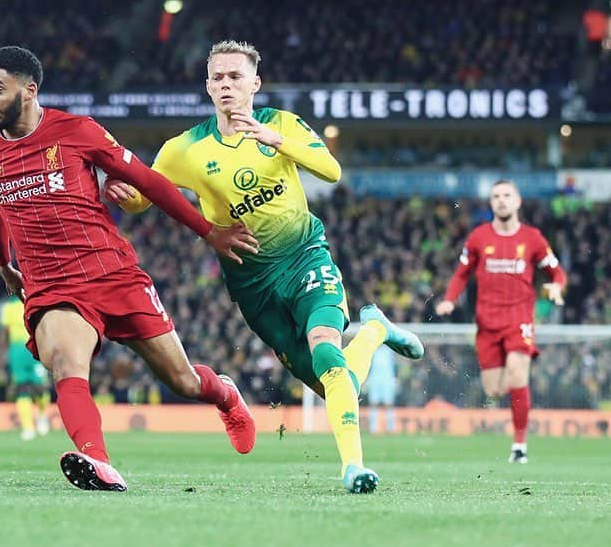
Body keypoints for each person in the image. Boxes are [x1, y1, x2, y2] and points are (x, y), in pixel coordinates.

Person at [104, 40, 424, 493]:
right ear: (208, 86)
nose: (226, 84)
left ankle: (353, 468)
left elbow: (331, 170)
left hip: (304, 255)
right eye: (218, 77)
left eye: (235, 76)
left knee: (327, 352)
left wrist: (279, 142)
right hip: (251, 281)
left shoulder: (281, 124)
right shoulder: (185, 149)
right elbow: (146, 196)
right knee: (334, 381)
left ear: (255, 83)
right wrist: (125, 195)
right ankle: (375, 331)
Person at [0, 45, 260, 492]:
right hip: (51, 285)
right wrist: (4, 262)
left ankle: (224, 394)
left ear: (29, 90)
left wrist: (208, 230)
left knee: (182, 380)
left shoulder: (78, 131)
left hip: (112, 273)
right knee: (65, 365)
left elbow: (149, 181)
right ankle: (97, 461)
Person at [435, 179, 567, 464]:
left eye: (507, 195)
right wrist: (449, 298)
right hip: (487, 324)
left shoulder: (533, 238)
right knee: (494, 390)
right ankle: (517, 388)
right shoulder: (479, 238)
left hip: (519, 319)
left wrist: (556, 286)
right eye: (496, 196)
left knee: (518, 375)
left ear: (518, 201)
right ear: (491, 203)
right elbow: (461, 273)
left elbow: (557, 272)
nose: (501, 200)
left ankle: (519, 447)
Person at [0, 294, 51, 440]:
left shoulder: (35, 299)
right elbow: (5, 331)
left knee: (40, 386)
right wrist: (1, 353)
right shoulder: (9, 306)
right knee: (21, 388)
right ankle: (28, 428)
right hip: (17, 351)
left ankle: (42, 415)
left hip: (35, 345)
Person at [365, 345, 397, 434]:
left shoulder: (390, 349)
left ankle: (391, 428)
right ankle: (373, 428)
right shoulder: (372, 348)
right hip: (374, 379)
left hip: (387, 379)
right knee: (373, 403)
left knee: (389, 404)